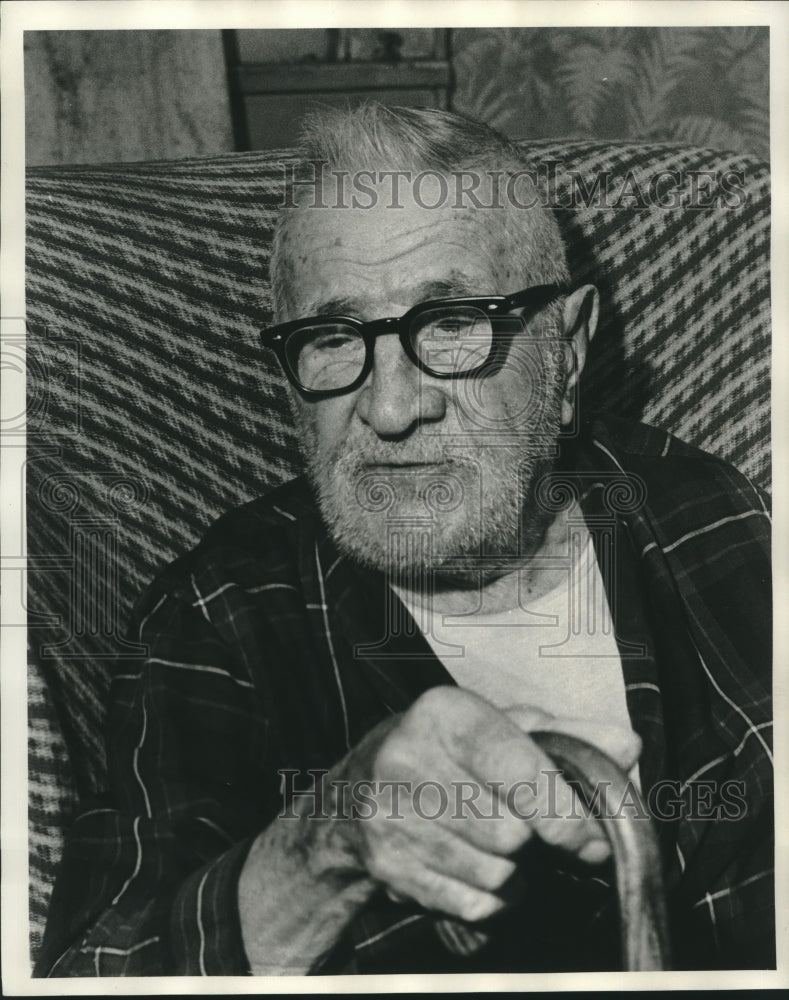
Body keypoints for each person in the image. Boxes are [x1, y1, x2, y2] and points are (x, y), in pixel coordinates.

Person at [36, 104, 773, 977]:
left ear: (567, 352)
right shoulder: (225, 620)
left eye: (453, 323)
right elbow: (89, 971)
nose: (388, 409)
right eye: (331, 337)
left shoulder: (702, 510)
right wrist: (320, 847)